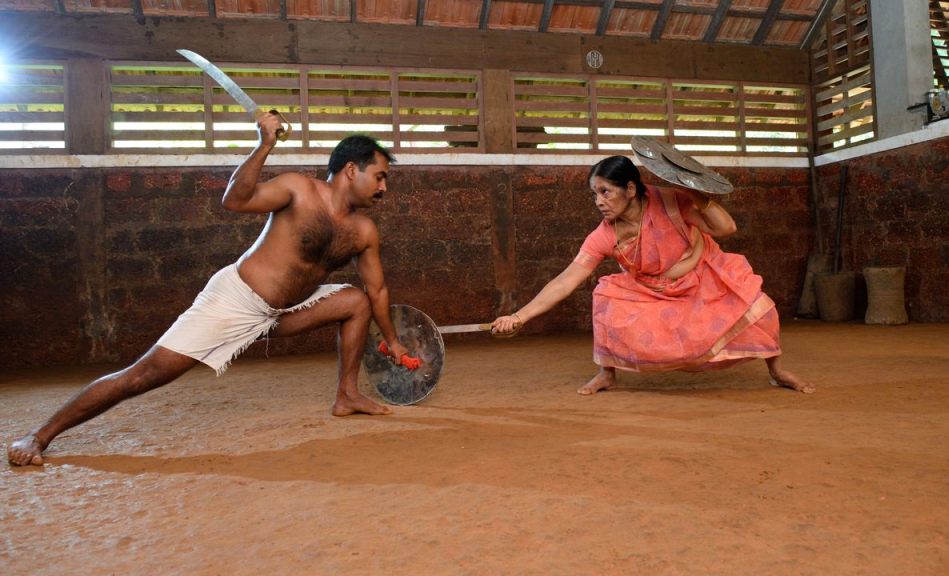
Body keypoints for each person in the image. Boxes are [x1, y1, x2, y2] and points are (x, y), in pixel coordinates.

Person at [7, 113, 413, 466]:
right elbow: (235, 201)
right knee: (144, 376)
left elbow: (377, 290)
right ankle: (40, 436)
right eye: (379, 177)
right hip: (236, 300)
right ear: (350, 171)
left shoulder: (363, 231)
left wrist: (392, 341)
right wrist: (263, 145)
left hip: (285, 311)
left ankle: (347, 396)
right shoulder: (298, 189)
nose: (383, 188)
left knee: (355, 301)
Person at [491, 155, 814, 396]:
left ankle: (777, 371)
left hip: (702, 276)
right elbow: (567, 279)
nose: (599, 202)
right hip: (651, 290)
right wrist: (520, 316)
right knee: (606, 295)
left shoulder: (671, 203)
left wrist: (696, 192)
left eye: (605, 192)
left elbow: (726, 228)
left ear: (630, 189)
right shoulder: (605, 234)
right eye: (594, 194)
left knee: (760, 307)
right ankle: (607, 374)